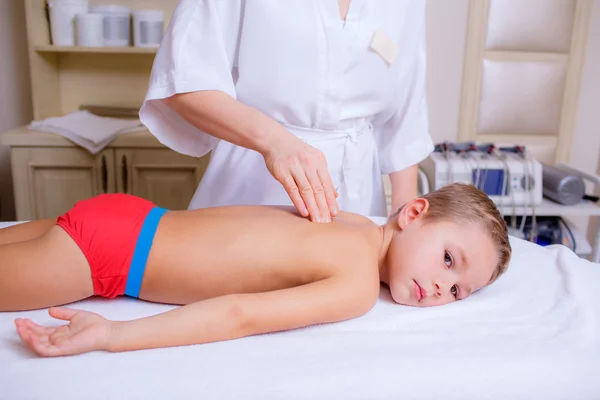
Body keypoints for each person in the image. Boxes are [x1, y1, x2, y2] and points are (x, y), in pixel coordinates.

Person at [1, 183, 511, 357]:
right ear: (413, 212)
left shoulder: (353, 221)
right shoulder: (356, 284)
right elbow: (238, 314)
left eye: (459, 291)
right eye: (449, 260)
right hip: (110, 257)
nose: (443, 287)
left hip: (131, 215)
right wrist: (113, 334)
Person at [139, 0, 434, 223]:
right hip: (250, 192)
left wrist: (403, 223)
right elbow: (182, 80)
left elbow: (405, 126)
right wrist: (275, 142)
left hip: (358, 208)